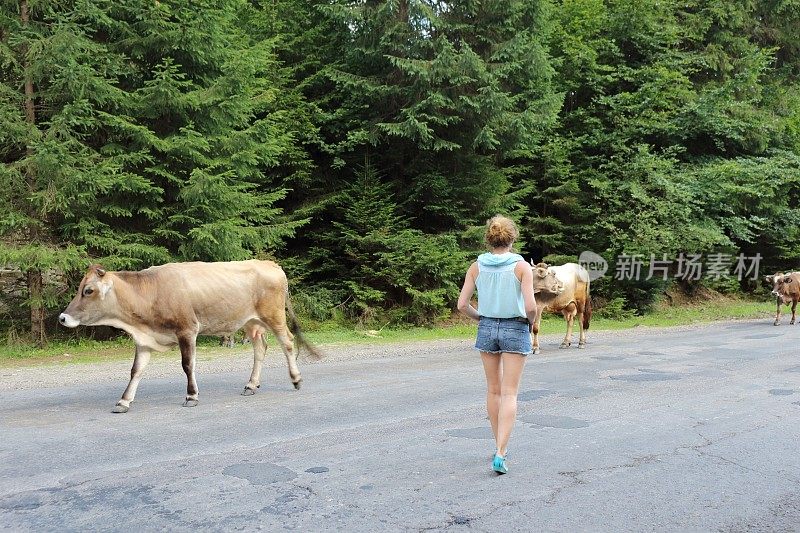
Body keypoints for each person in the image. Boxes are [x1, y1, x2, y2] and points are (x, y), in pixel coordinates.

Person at [457, 215, 537, 474]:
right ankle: (501, 452)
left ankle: (497, 445)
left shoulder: (476, 266)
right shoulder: (522, 267)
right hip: (515, 325)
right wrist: (531, 322)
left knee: (493, 391)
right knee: (510, 392)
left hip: (487, 326)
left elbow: (461, 305)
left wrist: (480, 317)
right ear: (512, 238)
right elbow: (531, 306)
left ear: (489, 239)